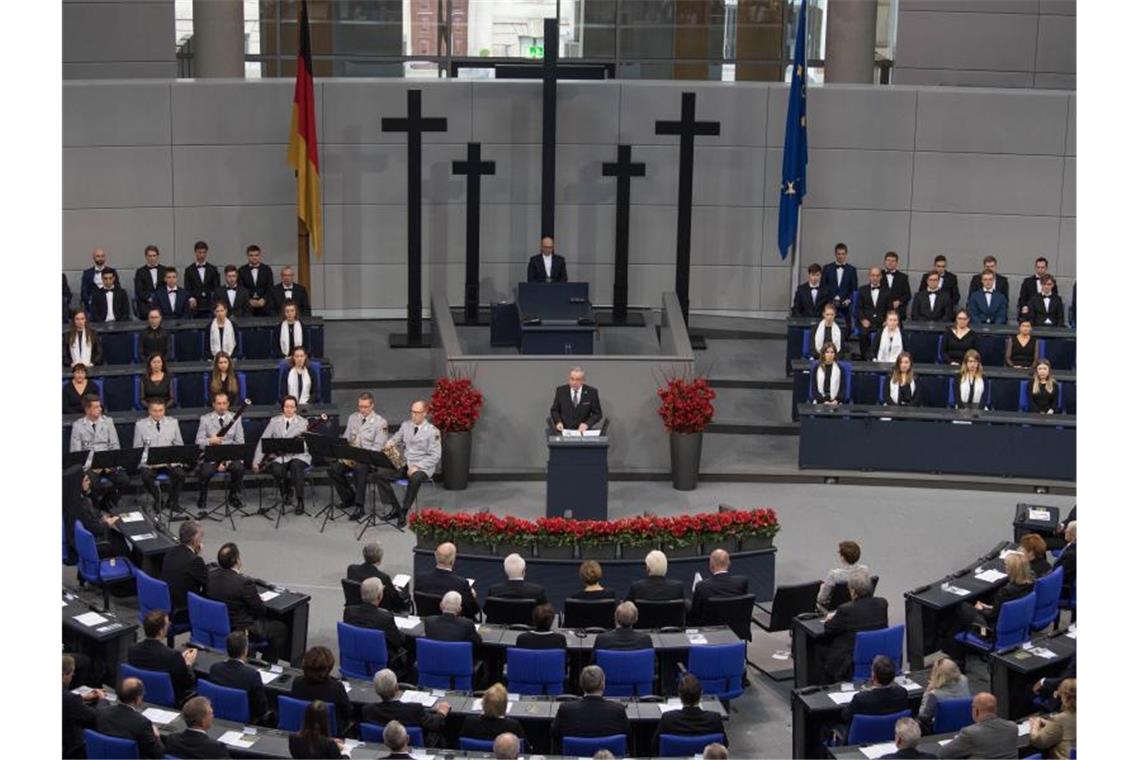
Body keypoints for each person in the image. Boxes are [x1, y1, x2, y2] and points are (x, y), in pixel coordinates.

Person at [942, 552, 1035, 664]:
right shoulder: (1030, 584)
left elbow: (992, 616)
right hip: (1017, 627)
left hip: (991, 632)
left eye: (1006, 565)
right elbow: (1008, 607)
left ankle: (956, 655)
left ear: (1012, 570)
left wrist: (980, 609)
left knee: (961, 607)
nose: (1004, 567)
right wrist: (992, 606)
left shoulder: (1006, 591)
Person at [207, 542, 290, 663]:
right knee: (279, 628)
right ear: (237, 560)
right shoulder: (244, 583)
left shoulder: (210, 575)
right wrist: (255, 599)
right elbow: (260, 611)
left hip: (218, 624)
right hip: (241, 628)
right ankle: (266, 665)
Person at [377, 399, 442, 528]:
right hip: (406, 463)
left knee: (415, 477)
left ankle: (404, 511)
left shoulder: (432, 431)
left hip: (423, 467)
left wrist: (417, 467)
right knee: (379, 476)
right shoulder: (405, 425)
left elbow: (435, 456)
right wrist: (390, 443)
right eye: (412, 412)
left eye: (417, 412)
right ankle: (396, 508)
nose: (413, 415)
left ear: (425, 413)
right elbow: (396, 438)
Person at [819, 569, 889, 682]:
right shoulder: (882, 603)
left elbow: (829, 629)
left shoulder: (845, 610)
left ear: (853, 591)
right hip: (876, 654)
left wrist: (829, 618)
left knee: (819, 644)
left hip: (848, 662)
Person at [329, 392, 389, 522]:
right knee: (334, 469)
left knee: (359, 468)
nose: (362, 410)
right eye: (360, 406)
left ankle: (359, 506)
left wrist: (361, 456)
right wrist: (342, 452)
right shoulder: (353, 418)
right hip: (352, 455)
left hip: (368, 459)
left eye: (366, 407)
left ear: (372, 405)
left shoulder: (381, 422)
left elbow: (378, 447)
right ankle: (349, 498)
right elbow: (346, 437)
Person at [252, 395, 312, 515]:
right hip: (280, 456)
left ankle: (300, 501)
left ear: (296, 408)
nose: (289, 409)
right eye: (286, 407)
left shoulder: (303, 422)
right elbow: (263, 440)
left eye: (292, 407)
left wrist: (297, 444)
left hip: (298, 455)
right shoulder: (275, 421)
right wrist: (256, 460)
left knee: (296, 467)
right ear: (283, 408)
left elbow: (306, 444)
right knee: (276, 468)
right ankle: (286, 491)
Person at [363, 669, 451, 748]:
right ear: (397, 688)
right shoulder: (414, 709)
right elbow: (434, 724)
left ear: (376, 690)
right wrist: (441, 713)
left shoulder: (368, 710)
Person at [551, 666, 631, 751]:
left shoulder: (565, 709)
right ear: (603, 684)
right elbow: (627, 733)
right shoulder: (618, 710)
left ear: (581, 684)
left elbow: (554, 733)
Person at [70, 396, 129, 508]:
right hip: (89, 465)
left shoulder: (108, 422)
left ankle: (107, 501)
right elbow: (76, 453)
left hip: (108, 463)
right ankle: (96, 507)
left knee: (124, 480)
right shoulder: (78, 426)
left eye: (100, 406)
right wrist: (91, 466)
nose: (100, 409)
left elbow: (115, 445)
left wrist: (109, 463)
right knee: (93, 483)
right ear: (87, 409)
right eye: (96, 407)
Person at [128, 610, 198, 704]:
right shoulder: (172, 656)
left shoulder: (132, 649)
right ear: (161, 631)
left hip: (140, 694)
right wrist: (188, 664)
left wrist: (179, 661)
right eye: (167, 623)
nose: (170, 623)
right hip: (171, 700)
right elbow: (187, 683)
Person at [195, 391, 247, 513]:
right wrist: (210, 440)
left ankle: (233, 496)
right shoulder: (205, 419)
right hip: (211, 455)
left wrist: (228, 459)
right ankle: (203, 496)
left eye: (224, 403)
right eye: (219, 403)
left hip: (230, 455)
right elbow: (198, 442)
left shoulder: (236, 418)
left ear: (228, 404)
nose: (222, 406)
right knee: (206, 471)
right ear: (213, 404)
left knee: (238, 468)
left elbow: (240, 442)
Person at [652, 673, 727, 754]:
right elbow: (724, 745)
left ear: (679, 695)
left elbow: (655, 746)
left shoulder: (668, 719)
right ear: (701, 694)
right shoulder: (715, 719)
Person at [207, 631, 271, 726]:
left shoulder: (215, 668)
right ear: (245, 650)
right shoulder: (252, 675)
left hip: (218, 718)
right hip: (245, 723)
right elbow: (262, 709)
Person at [134, 398, 186, 513]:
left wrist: (174, 461)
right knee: (145, 475)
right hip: (150, 463)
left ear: (164, 410)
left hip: (168, 461)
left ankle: (173, 502)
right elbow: (137, 449)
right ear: (149, 411)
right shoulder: (140, 425)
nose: (158, 414)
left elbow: (179, 445)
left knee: (180, 474)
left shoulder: (173, 423)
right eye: (155, 411)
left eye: (161, 410)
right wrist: (147, 462)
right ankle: (159, 500)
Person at [64, 469, 129, 559]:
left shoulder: (75, 498)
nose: (89, 482)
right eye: (86, 480)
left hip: (83, 538)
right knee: (121, 542)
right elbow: (94, 528)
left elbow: (90, 519)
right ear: (78, 483)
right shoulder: (79, 506)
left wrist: (102, 519)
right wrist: (108, 523)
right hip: (91, 544)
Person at [344, 577, 407, 668]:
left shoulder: (349, 611)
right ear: (379, 596)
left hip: (355, 658)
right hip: (380, 664)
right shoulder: (385, 618)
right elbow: (398, 642)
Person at [96, 677, 165, 758]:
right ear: (137, 699)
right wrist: (157, 737)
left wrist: (102, 699)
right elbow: (158, 754)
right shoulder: (142, 724)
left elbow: (101, 707)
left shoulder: (102, 712)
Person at [937, 692, 1017, 759]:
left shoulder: (970, 733)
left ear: (976, 710)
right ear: (995, 709)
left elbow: (943, 754)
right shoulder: (1012, 727)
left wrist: (959, 740)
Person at [291, 646, 352, 730]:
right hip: (329, 731)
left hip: (302, 728)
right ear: (328, 668)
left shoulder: (297, 682)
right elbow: (348, 712)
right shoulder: (336, 687)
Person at [840, 656, 909, 729]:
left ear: (873, 675)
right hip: (892, 733)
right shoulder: (902, 693)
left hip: (864, 737)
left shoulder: (860, 698)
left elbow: (845, 716)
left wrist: (865, 693)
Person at [415, 542, 480, 618]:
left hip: (426, 622)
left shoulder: (421, 579)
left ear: (435, 556)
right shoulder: (461, 584)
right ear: (453, 559)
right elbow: (473, 610)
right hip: (454, 626)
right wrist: (473, 597)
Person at [161, 520, 208, 625]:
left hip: (168, 603)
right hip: (183, 611)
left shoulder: (170, 552)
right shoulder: (194, 560)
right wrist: (197, 556)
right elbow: (207, 583)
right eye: (201, 536)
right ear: (195, 540)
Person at [689, 548, 750, 625]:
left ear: (711, 565)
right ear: (729, 563)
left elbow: (695, 615)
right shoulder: (742, 582)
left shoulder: (702, 586)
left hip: (711, 633)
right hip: (738, 632)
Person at [347, 542, 410, 613]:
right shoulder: (382, 578)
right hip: (378, 611)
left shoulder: (352, 569)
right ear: (380, 559)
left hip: (356, 608)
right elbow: (394, 600)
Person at [161, 696, 230, 759]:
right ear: (203, 721)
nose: (213, 716)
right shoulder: (216, 748)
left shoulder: (172, 739)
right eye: (211, 713)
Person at [63, 654, 103, 758]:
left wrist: (81, 698)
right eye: (72, 673)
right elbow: (94, 718)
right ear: (64, 676)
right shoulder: (70, 700)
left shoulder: (70, 698)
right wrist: (102, 700)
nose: (73, 676)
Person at [460, 683, 528, 745]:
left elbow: (459, 746)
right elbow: (525, 749)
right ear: (505, 706)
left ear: (483, 703)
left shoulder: (469, 722)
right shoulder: (513, 726)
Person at [917, 657, 971, 732]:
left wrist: (927, 692)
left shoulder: (934, 695)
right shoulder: (964, 680)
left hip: (941, 730)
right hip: (964, 725)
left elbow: (923, 716)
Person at [1028, 678, 1076, 760]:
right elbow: (1067, 728)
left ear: (1064, 696)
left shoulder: (1060, 718)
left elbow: (1039, 742)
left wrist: (1035, 726)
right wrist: (1049, 723)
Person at [817, 540, 869, 613]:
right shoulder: (865, 570)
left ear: (842, 557)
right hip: (859, 606)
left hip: (836, 610)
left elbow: (821, 599)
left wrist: (822, 587)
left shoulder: (834, 575)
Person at [550, 366, 603, 433]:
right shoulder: (561, 391)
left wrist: (587, 424)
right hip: (565, 431)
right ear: (569, 379)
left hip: (583, 432)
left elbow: (597, 414)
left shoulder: (591, 392)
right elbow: (555, 410)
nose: (574, 382)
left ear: (583, 380)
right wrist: (558, 422)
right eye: (572, 379)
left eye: (578, 379)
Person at [856, 267, 890, 359]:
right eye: (873, 275)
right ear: (869, 276)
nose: (875, 278)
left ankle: (878, 358)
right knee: (863, 334)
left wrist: (887, 320)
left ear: (881, 277)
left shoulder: (887, 291)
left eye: (877, 275)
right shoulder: (862, 290)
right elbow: (858, 308)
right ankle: (865, 359)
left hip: (881, 323)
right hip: (867, 322)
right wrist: (863, 320)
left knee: (884, 335)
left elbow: (890, 309)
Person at [183, 241, 220, 317]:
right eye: (199, 252)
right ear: (195, 252)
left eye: (204, 252)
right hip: (195, 306)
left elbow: (216, 287)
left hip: (210, 305)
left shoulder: (213, 269)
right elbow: (187, 288)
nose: (202, 255)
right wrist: (191, 298)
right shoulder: (189, 270)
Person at [239, 244, 274, 316]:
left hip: (264, 306)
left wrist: (264, 299)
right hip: (247, 307)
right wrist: (249, 300)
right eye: (251, 255)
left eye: (256, 255)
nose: (254, 257)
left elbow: (270, 287)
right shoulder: (241, 270)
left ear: (260, 255)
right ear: (247, 256)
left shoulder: (267, 269)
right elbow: (240, 288)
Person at [81, 247, 118, 311]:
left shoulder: (112, 271)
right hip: (93, 302)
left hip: (110, 300)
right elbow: (84, 291)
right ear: (94, 258)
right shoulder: (87, 273)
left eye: (102, 256)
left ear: (105, 257)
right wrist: (89, 301)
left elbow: (117, 287)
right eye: (98, 256)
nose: (100, 258)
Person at [133, 244, 164, 319]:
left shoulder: (164, 270)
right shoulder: (140, 272)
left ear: (157, 256)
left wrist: (159, 299)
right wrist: (150, 299)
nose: (152, 258)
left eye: (154, 255)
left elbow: (166, 288)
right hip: (146, 303)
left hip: (162, 302)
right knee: (145, 311)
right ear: (146, 257)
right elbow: (139, 291)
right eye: (149, 256)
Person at [882, 251, 911, 320]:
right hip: (881, 310)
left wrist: (899, 301)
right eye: (888, 260)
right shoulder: (878, 275)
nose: (890, 263)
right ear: (885, 261)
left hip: (897, 311)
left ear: (896, 263)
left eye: (893, 261)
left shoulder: (903, 277)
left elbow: (907, 295)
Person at [1055, 521, 1076, 598]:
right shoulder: (1071, 546)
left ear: (1073, 536)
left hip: (1061, 589)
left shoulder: (1071, 555)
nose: (1065, 531)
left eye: (1067, 530)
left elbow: (1061, 575)